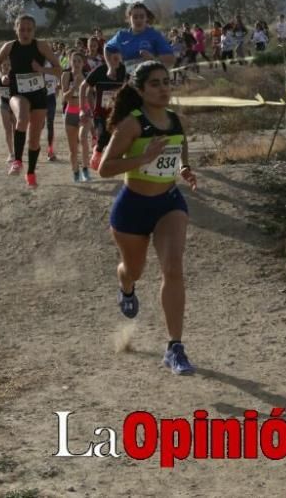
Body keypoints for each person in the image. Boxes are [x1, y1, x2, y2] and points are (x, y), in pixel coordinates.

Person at [98, 60, 198, 375]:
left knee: (173, 268)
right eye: (155, 83)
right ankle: (125, 286)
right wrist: (143, 158)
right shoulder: (132, 124)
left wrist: (184, 170)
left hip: (168, 203)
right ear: (140, 90)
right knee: (134, 270)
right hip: (133, 206)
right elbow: (104, 168)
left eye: (166, 82)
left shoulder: (175, 121)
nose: (163, 88)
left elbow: (178, 156)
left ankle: (175, 347)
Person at [0, 15, 62, 188]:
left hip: (39, 95)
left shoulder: (41, 45)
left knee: (35, 140)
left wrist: (41, 69)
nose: (25, 33)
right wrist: (2, 75)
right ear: (16, 29)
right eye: (22, 29)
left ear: (34, 30)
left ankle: (30, 172)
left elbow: (59, 69)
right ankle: (17, 161)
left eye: (29, 29)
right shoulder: (9, 46)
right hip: (18, 93)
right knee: (22, 119)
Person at [80, 44, 129, 171]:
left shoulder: (123, 70)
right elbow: (83, 87)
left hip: (117, 111)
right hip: (100, 112)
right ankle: (97, 153)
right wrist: (83, 109)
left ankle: (110, 157)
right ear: (107, 57)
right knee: (103, 135)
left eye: (118, 56)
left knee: (118, 135)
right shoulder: (100, 70)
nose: (116, 59)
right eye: (113, 57)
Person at [104, 2, 175, 75]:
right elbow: (107, 48)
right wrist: (110, 67)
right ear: (129, 18)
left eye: (142, 17)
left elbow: (171, 59)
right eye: (135, 17)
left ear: (146, 18)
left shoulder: (154, 35)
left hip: (150, 76)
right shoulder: (121, 35)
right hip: (129, 77)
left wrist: (153, 59)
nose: (138, 20)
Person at [62, 51, 93, 183]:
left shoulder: (88, 76)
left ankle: (85, 169)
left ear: (83, 63)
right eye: (74, 61)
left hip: (84, 112)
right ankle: (76, 171)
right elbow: (64, 98)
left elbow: (92, 95)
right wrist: (74, 87)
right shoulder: (66, 75)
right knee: (73, 149)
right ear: (70, 62)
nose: (76, 64)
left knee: (83, 138)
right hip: (70, 112)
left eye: (79, 61)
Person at [43, 59, 59, 161]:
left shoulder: (53, 66)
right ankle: (34, 146)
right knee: (39, 125)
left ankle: (50, 150)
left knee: (50, 124)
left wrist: (55, 92)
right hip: (38, 99)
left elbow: (57, 83)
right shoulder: (34, 64)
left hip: (50, 98)